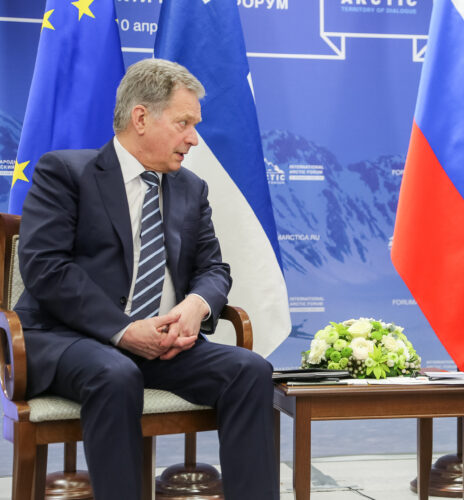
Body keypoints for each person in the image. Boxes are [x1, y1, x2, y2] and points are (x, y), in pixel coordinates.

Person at [15, 59, 278, 499]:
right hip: (69, 339)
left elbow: (214, 269)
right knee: (115, 374)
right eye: (184, 123)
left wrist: (196, 305)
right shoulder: (65, 172)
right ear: (141, 117)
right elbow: (45, 266)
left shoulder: (190, 188)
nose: (193, 138)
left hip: (163, 343)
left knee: (250, 370)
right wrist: (122, 330)